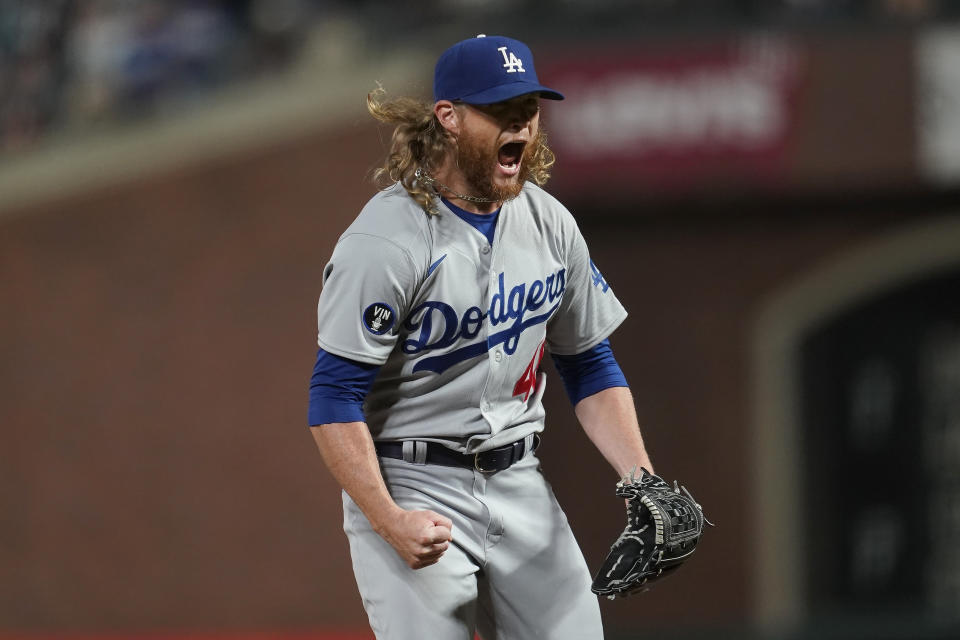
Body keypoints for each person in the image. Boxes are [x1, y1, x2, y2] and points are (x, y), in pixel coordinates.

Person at [308, 34, 654, 640]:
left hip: (519, 477)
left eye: (529, 108)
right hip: (412, 479)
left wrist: (640, 478)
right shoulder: (386, 241)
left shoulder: (550, 224)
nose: (520, 122)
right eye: (500, 110)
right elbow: (333, 400)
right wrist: (389, 520)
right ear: (449, 118)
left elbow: (590, 363)